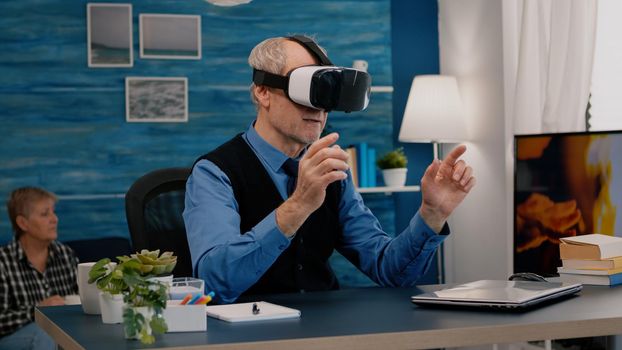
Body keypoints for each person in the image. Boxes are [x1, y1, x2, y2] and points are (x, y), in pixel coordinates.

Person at [183, 35, 476, 304]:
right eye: (306, 90)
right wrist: (298, 205)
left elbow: (391, 272)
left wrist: (431, 215)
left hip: (325, 333)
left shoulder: (333, 173)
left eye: (325, 93)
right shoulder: (214, 173)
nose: (318, 108)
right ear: (263, 92)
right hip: (247, 335)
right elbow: (214, 283)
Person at [0, 187, 78, 350]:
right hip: (14, 338)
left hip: (65, 333)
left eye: (53, 212)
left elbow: (80, 300)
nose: (54, 219)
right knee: (46, 333)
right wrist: (37, 311)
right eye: (45, 214)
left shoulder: (65, 254)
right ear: (23, 223)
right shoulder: (3, 261)